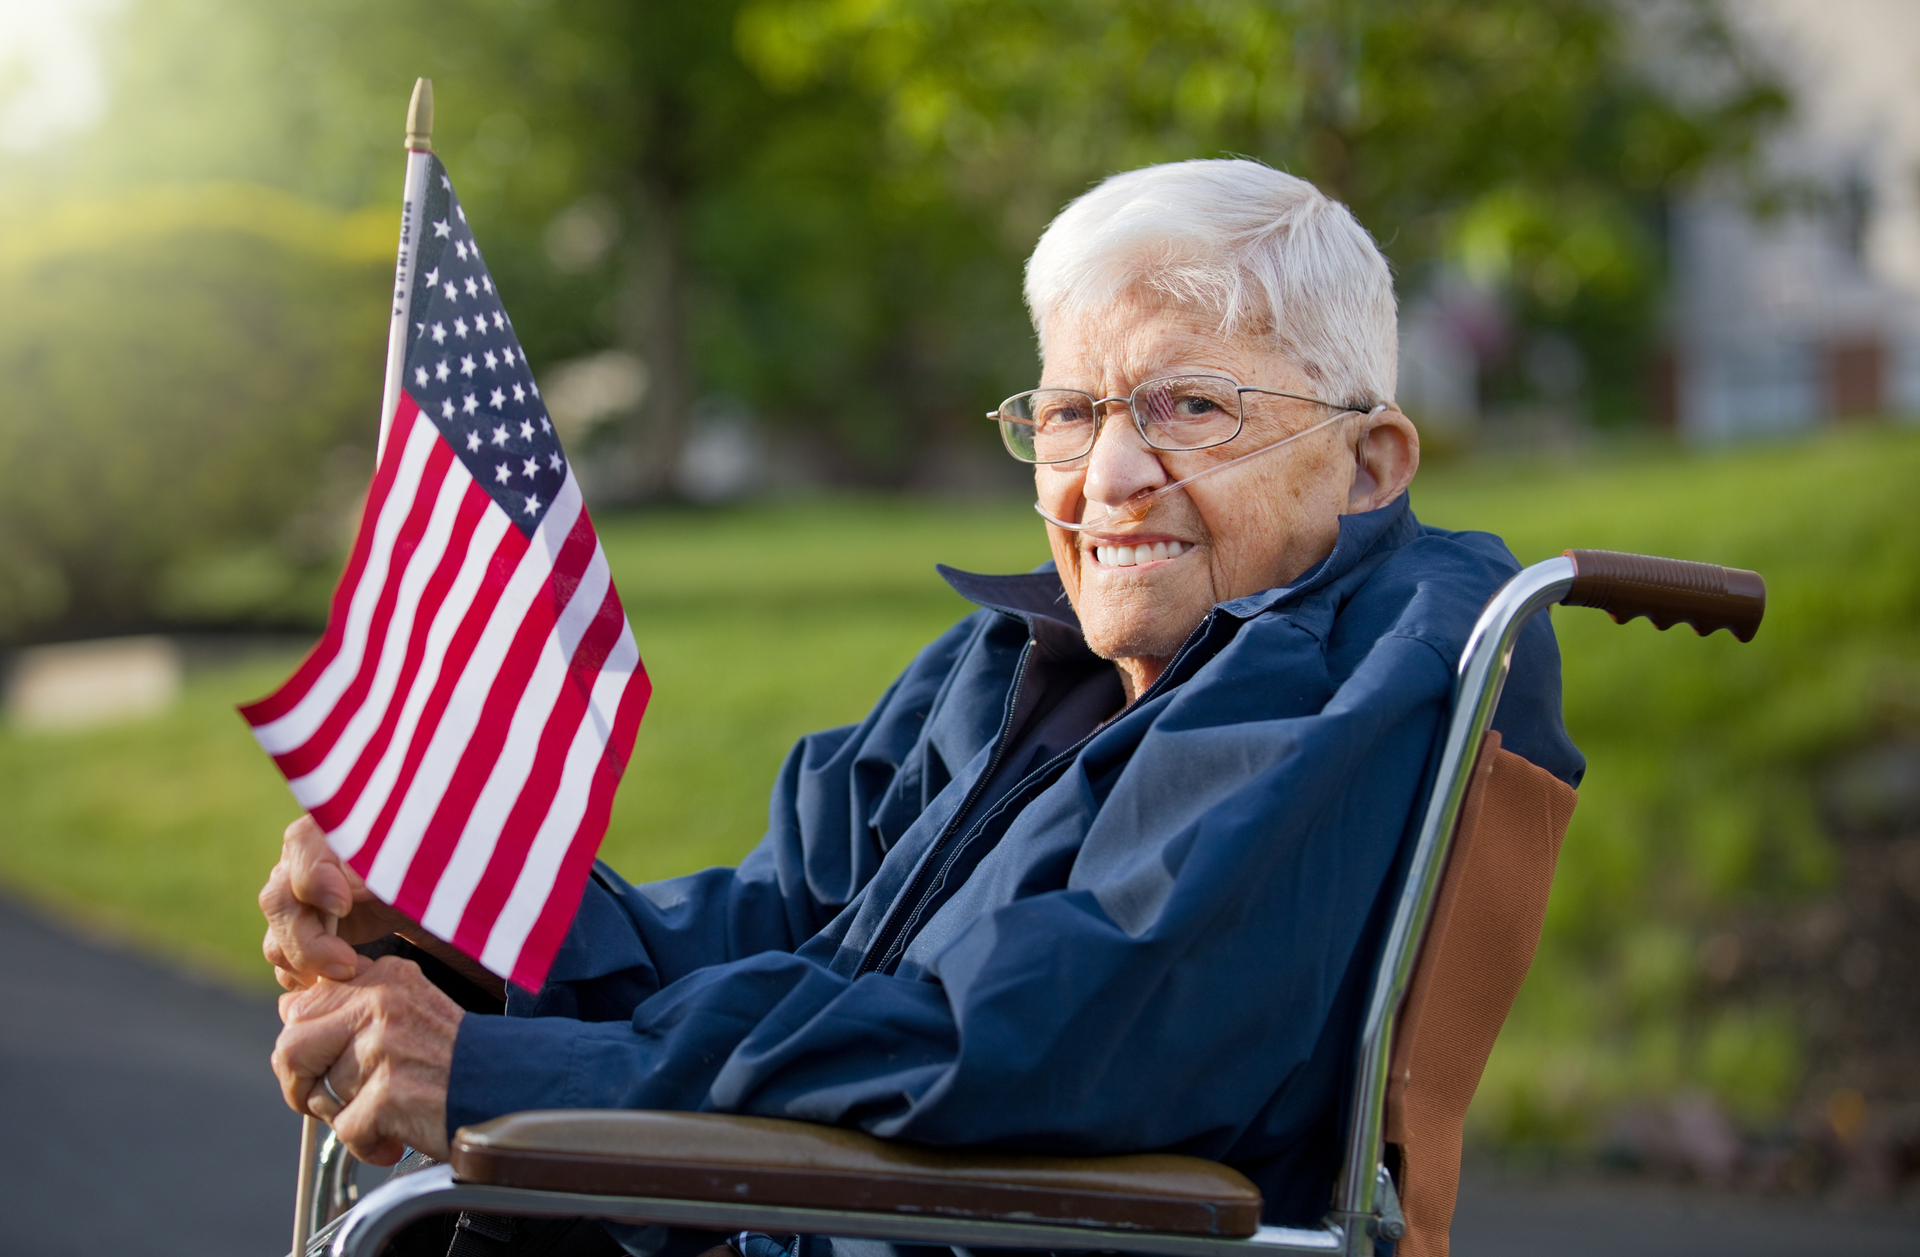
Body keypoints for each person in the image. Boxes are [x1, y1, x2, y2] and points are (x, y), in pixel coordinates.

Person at [261, 158, 1583, 1235]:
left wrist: (505, 1072)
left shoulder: (1375, 667)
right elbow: (781, 928)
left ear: (1370, 462)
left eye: (1191, 405)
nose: (1110, 475)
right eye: (1069, 414)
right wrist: (469, 931)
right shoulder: (1024, 657)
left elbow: (1044, 1043)